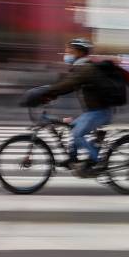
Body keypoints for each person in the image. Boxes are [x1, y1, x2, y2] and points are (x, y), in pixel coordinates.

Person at [44, 38, 113, 174]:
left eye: (69, 50)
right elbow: (71, 86)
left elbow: (68, 84)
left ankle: (97, 162)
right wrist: (53, 94)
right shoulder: (81, 67)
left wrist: (46, 91)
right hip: (93, 111)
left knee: (77, 134)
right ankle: (72, 159)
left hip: (100, 112)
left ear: (79, 52)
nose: (66, 53)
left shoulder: (86, 68)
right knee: (73, 127)